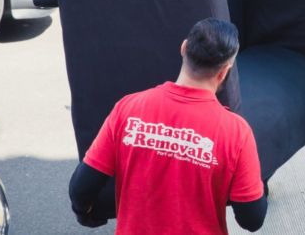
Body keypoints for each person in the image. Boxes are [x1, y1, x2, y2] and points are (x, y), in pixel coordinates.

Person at [68, 18, 267, 234]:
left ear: (183, 48)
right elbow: (251, 219)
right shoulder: (236, 132)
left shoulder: (129, 108)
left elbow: (81, 188)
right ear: (224, 71)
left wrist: (84, 212)